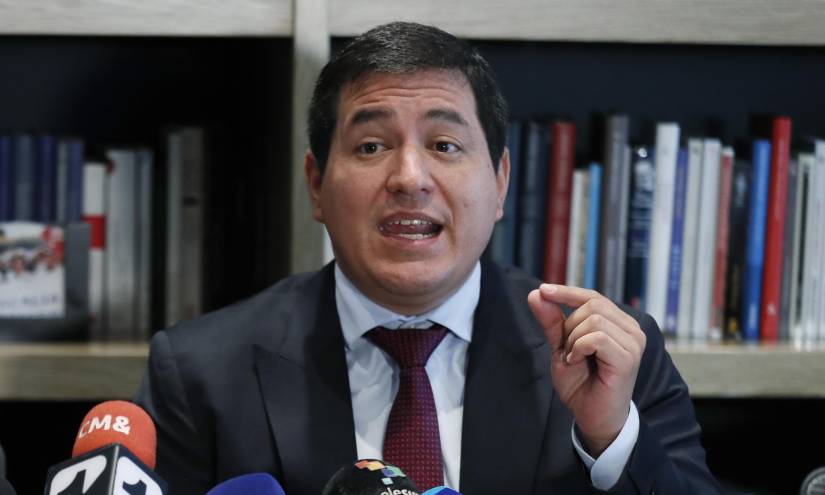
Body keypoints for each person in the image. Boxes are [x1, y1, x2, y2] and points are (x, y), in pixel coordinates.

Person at [134, 22, 720, 494]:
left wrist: (610, 437)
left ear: (500, 182)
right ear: (316, 184)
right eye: (371, 146)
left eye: (444, 145)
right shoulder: (200, 372)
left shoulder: (608, 355)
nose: (409, 178)